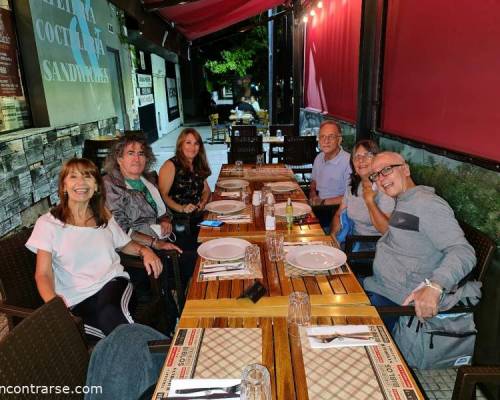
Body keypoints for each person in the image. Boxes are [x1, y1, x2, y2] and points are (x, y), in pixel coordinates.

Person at [26, 158, 162, 341]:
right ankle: (161, 352)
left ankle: (161, 358)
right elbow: (43, 274)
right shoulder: (48, 224)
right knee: (106, 335)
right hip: (76, 300)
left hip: (113, 284)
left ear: (97, 186)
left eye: (87, 177)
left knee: (109, 315)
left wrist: (145, 250)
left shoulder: (103, 215)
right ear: (64, 186)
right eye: (73, 177)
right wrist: (55, 306)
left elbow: (125, 244)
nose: (81, 183)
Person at [362, 151, 477, 330]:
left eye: (387, 170)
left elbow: (463, 251)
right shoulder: (403, 200)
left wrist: (436, 286)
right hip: (378, 285)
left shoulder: (427, 204)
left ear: (406, 170)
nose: (381, 179)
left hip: (395, 301)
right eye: (376, 175)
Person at [332, 140, 395, 248]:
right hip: (350, 237)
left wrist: (370, 201)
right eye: (357, 156)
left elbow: (387, 231)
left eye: (367, 155)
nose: (361, 160)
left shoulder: (385, 188)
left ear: (377, 160)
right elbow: (338, 214)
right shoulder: (353, 187)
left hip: (372, 248)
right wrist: (333, 237)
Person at [158, 128, 211, 250]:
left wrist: (203, 202)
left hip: (197, 218)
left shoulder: (196, 164)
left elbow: (206, 190)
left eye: (196, 143)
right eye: (188, 142)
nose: (192, 147)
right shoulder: (170, 165)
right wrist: (182, 208)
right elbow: (162, 195)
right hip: (179, 223)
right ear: (180, 145)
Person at [309, 120, 352, 232]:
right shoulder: (319, 157)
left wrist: (322, 202)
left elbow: (351, 197)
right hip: (318, 207)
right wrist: (313, 193)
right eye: (322, 136)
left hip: (335, 211)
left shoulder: (349, 162)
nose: (326, 141)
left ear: (339, 140)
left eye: (331, 136)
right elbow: (314, 181)